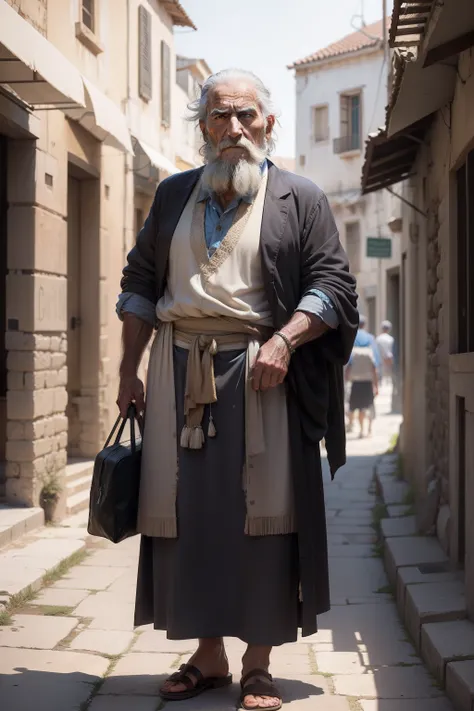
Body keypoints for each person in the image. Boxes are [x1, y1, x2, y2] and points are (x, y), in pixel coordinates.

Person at [116, 68, 358, 710]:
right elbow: (139, 282)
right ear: (202, 128)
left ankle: (257, 664)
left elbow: (333, 284)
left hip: (263, 376)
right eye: (220, 116)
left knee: (265, 518)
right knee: (184, 516)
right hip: (174, 373)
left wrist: (285, 341)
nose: (234, 129)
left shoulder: (299, 198)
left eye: (245, 116)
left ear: (267, 124)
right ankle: (207, 655)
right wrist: (126, 370)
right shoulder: (171, 196)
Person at [346, 315, 379, 438]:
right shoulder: (370, 338)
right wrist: (376, 384)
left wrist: (346, 377)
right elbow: (375, 363)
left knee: (357, 406)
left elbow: (348, 361)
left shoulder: (352, 337)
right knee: (369, 405)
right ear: (364, 325)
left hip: (356, 380)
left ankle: (361, 430)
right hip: (368, 379)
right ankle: (369, 430)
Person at [375, 320, 395, 385]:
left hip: (380, 358)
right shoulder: (391, 339)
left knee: (381, 372)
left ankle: (380, 383)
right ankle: (389, 383)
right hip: (389, 358)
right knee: (389, 373)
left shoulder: (378, 338)